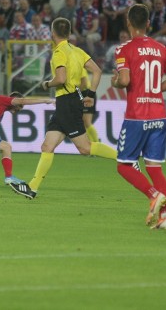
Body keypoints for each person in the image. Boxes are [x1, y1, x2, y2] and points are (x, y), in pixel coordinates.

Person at [10, 17, 118, 199]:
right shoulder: (77, 51)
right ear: (69, 33)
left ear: (53, 33)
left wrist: (46, 84)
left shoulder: (59, 52)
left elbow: (60, 78)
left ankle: (124, 157)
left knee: (84, 148)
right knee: (47, 145)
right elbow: (98, 71)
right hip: (68, 101)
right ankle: (32, 187)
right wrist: (91, 94)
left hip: (67, 101)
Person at [111, 4, 166, 230]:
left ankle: (153, 195)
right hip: (159, 115)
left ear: (128, 24)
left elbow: (123, 80)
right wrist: (153, 91)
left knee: (124, 165)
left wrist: (114, 81)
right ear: (148, 24)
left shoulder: (124, 49)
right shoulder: (161, 48)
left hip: (136, 117)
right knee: (154, 168)